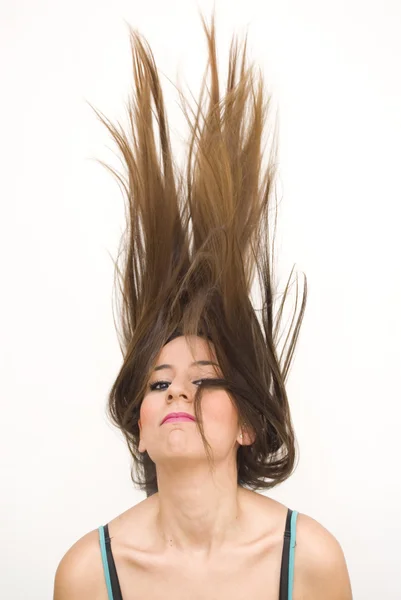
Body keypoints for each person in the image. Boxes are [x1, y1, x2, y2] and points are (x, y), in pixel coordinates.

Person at [53, 12, 353, 600]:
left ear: (247, 423)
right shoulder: (88, 573)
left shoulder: (311, 559)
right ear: (139, 429)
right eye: (158, 384)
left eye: (205, 379)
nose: (177, 394)